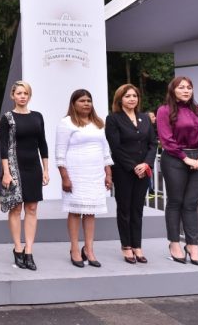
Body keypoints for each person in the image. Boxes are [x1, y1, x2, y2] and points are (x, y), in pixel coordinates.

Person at [156, 76, 198, 267]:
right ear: (173, 90)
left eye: (189, 87)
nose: (186, 90)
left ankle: (192, 245)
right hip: (175, 159)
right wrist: (186, 158)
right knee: (175, 202)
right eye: (181, 87)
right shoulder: (164, 110)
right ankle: (174, 243)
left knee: (191, 204)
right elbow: (166, 140)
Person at [55, 89, 113, 268]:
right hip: (75, 173)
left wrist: (108, 173)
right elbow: (60, 152)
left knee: (90, 212)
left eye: (89, 100)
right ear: (74, 104)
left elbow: (105, 150)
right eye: (82, 100)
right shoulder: (66, 123)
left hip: (95, 174)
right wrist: (65, 177)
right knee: (75, 211)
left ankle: (89, 249)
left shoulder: (98, 123)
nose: (86, 103)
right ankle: (74, 248)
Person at [105, 84, 157, 264]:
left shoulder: (145, 118)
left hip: (144, 170)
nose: (132, 99)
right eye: (127, 96)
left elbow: (153, 144)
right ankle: (126, 246)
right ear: (120, 99)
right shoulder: (113, 119)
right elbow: (115, 147)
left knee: (137, 209)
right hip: (124, 171)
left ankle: (137, 246)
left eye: (134, 96)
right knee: (124, 209)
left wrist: (146, 163)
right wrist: (134, 166)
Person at [0, 81, 49, 271]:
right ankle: (17, 248)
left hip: (34, 167)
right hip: (14, 167)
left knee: (32, 208)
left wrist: (46, 169)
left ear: (29, 96)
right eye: (19, 93)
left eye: (25, 93)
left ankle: (29, 250)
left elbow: (42, 143)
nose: (22, 96)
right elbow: (3, 147)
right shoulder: (7, 118)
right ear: (13, 96)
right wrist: (6, 172)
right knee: (16, 208)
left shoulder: (37, 116)